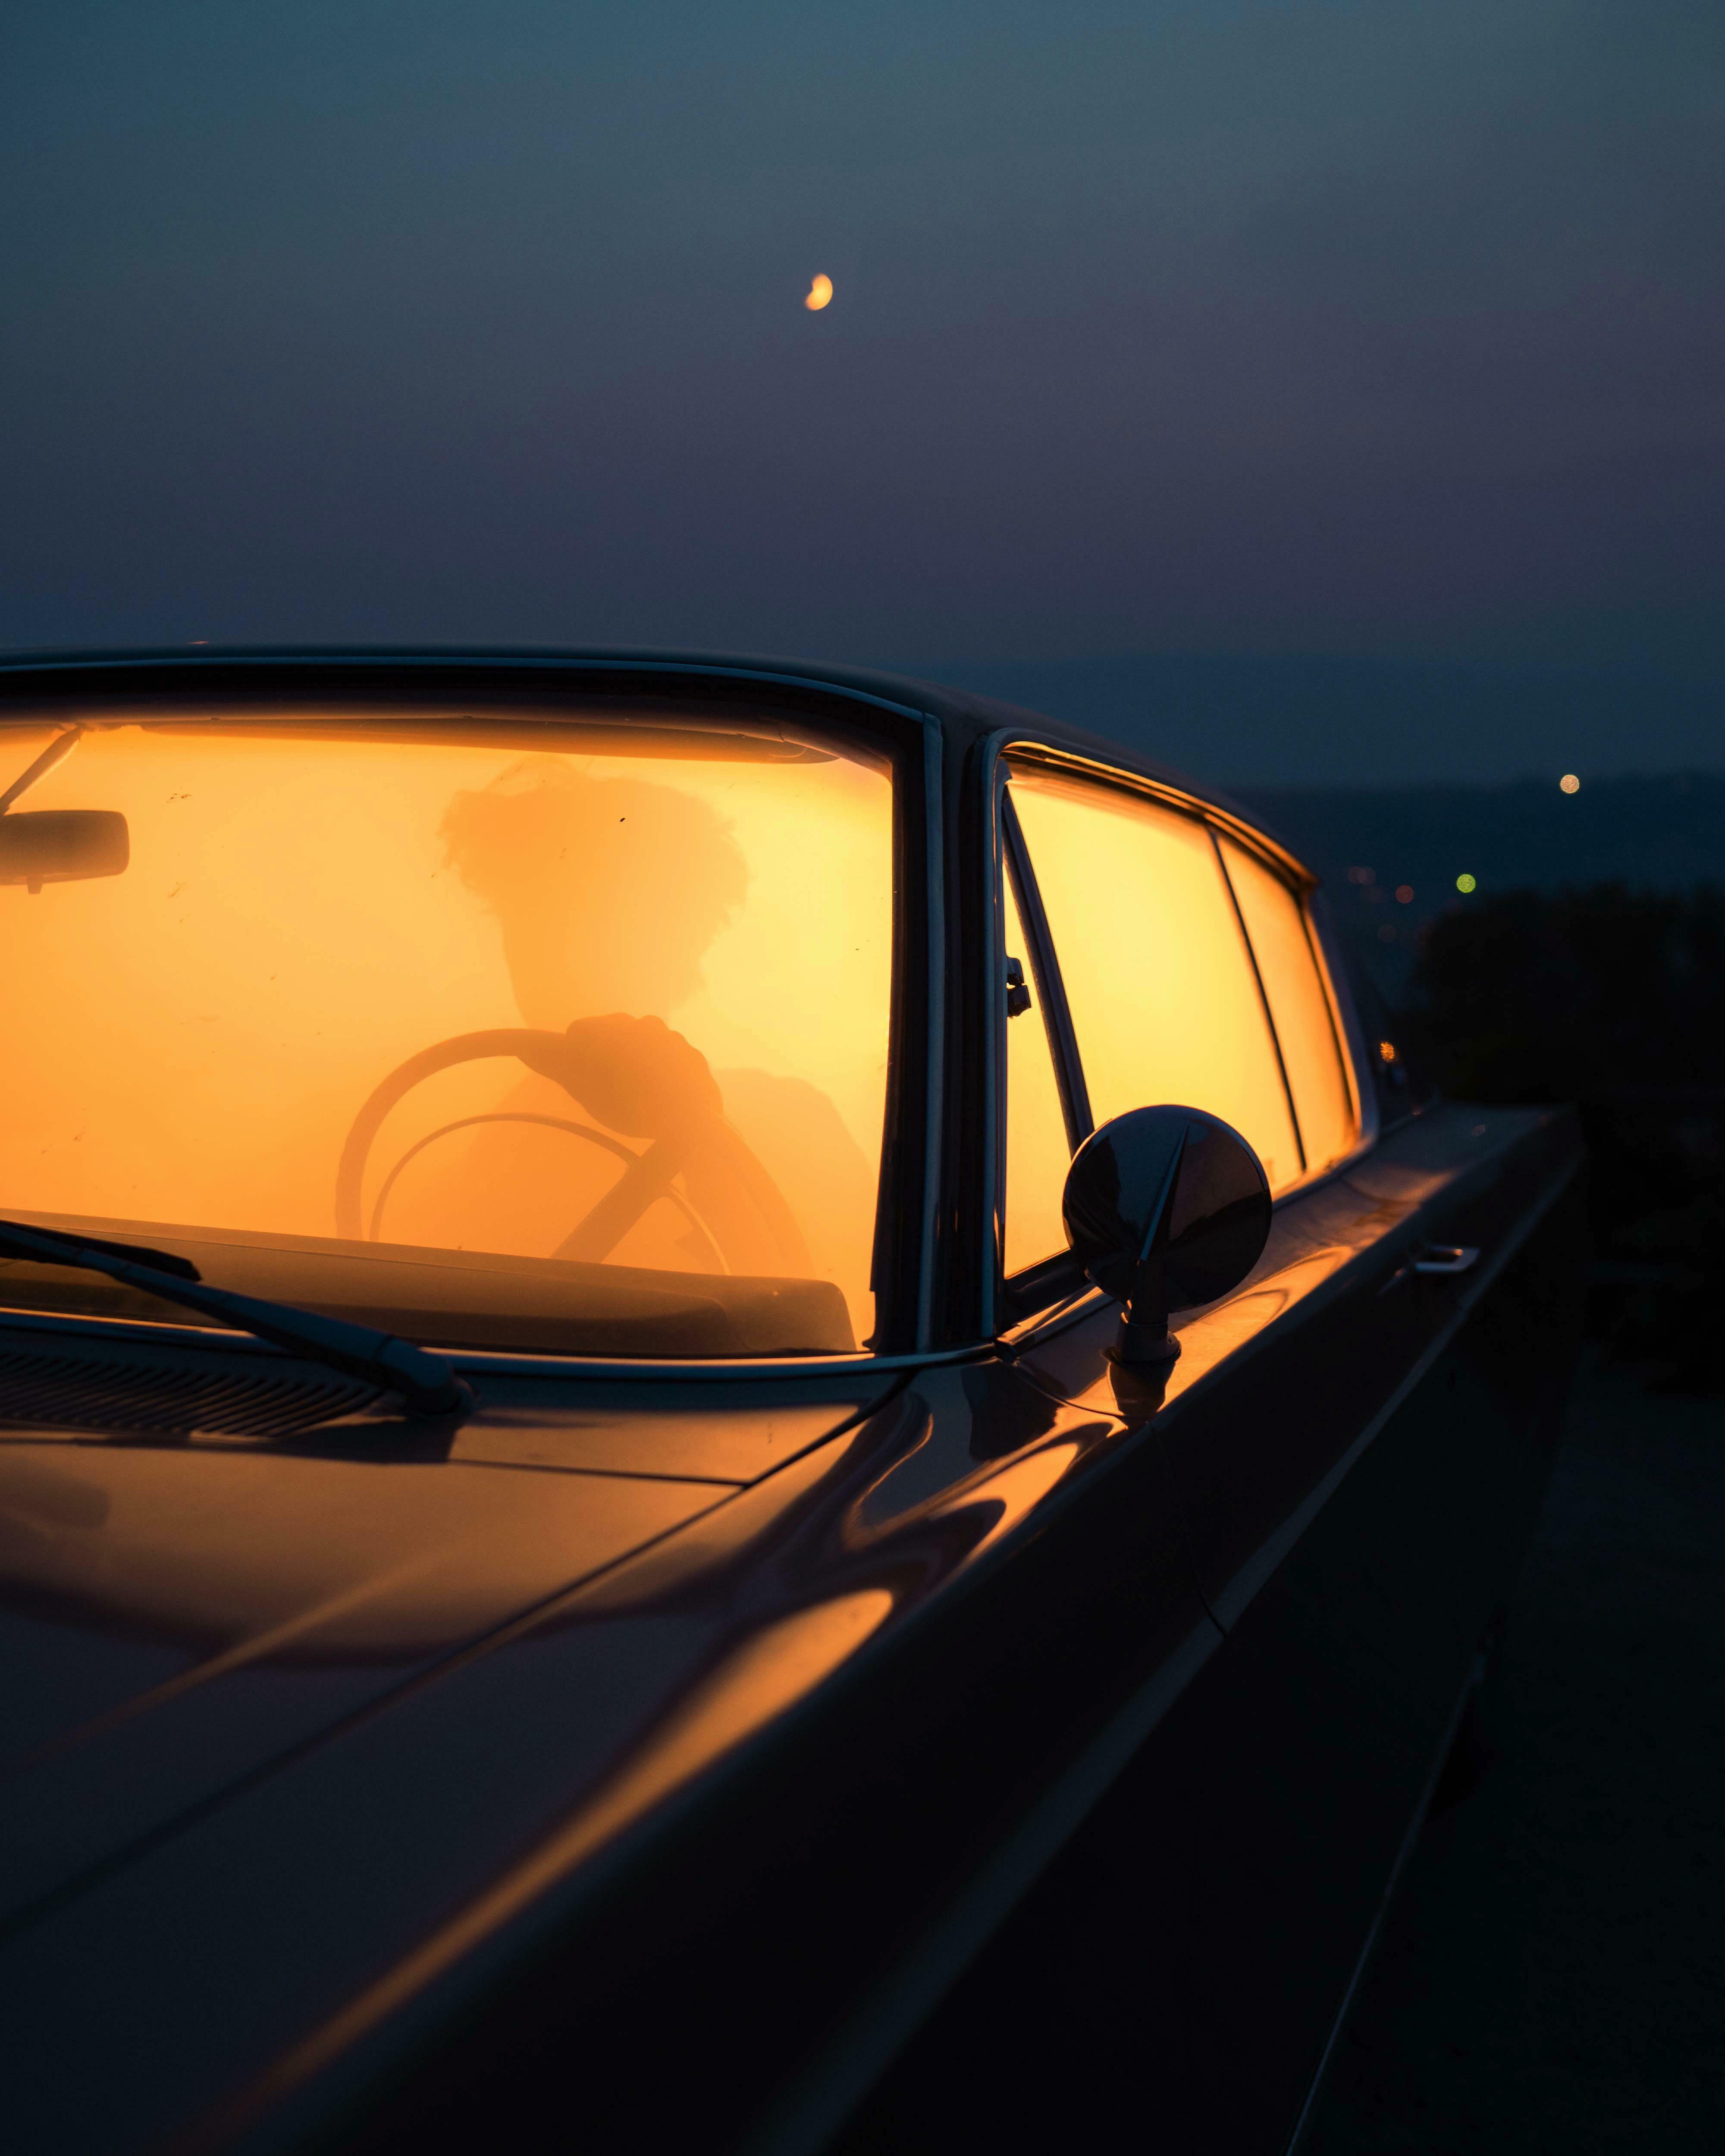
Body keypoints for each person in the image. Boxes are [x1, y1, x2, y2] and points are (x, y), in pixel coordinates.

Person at [382, 756, 877, 1325]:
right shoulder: (476, 1130)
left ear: (684, 945)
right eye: (534, 919)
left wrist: (695, 1134)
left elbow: (828, 1338)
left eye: (600, 924)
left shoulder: (795, 1126)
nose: (558, 955)